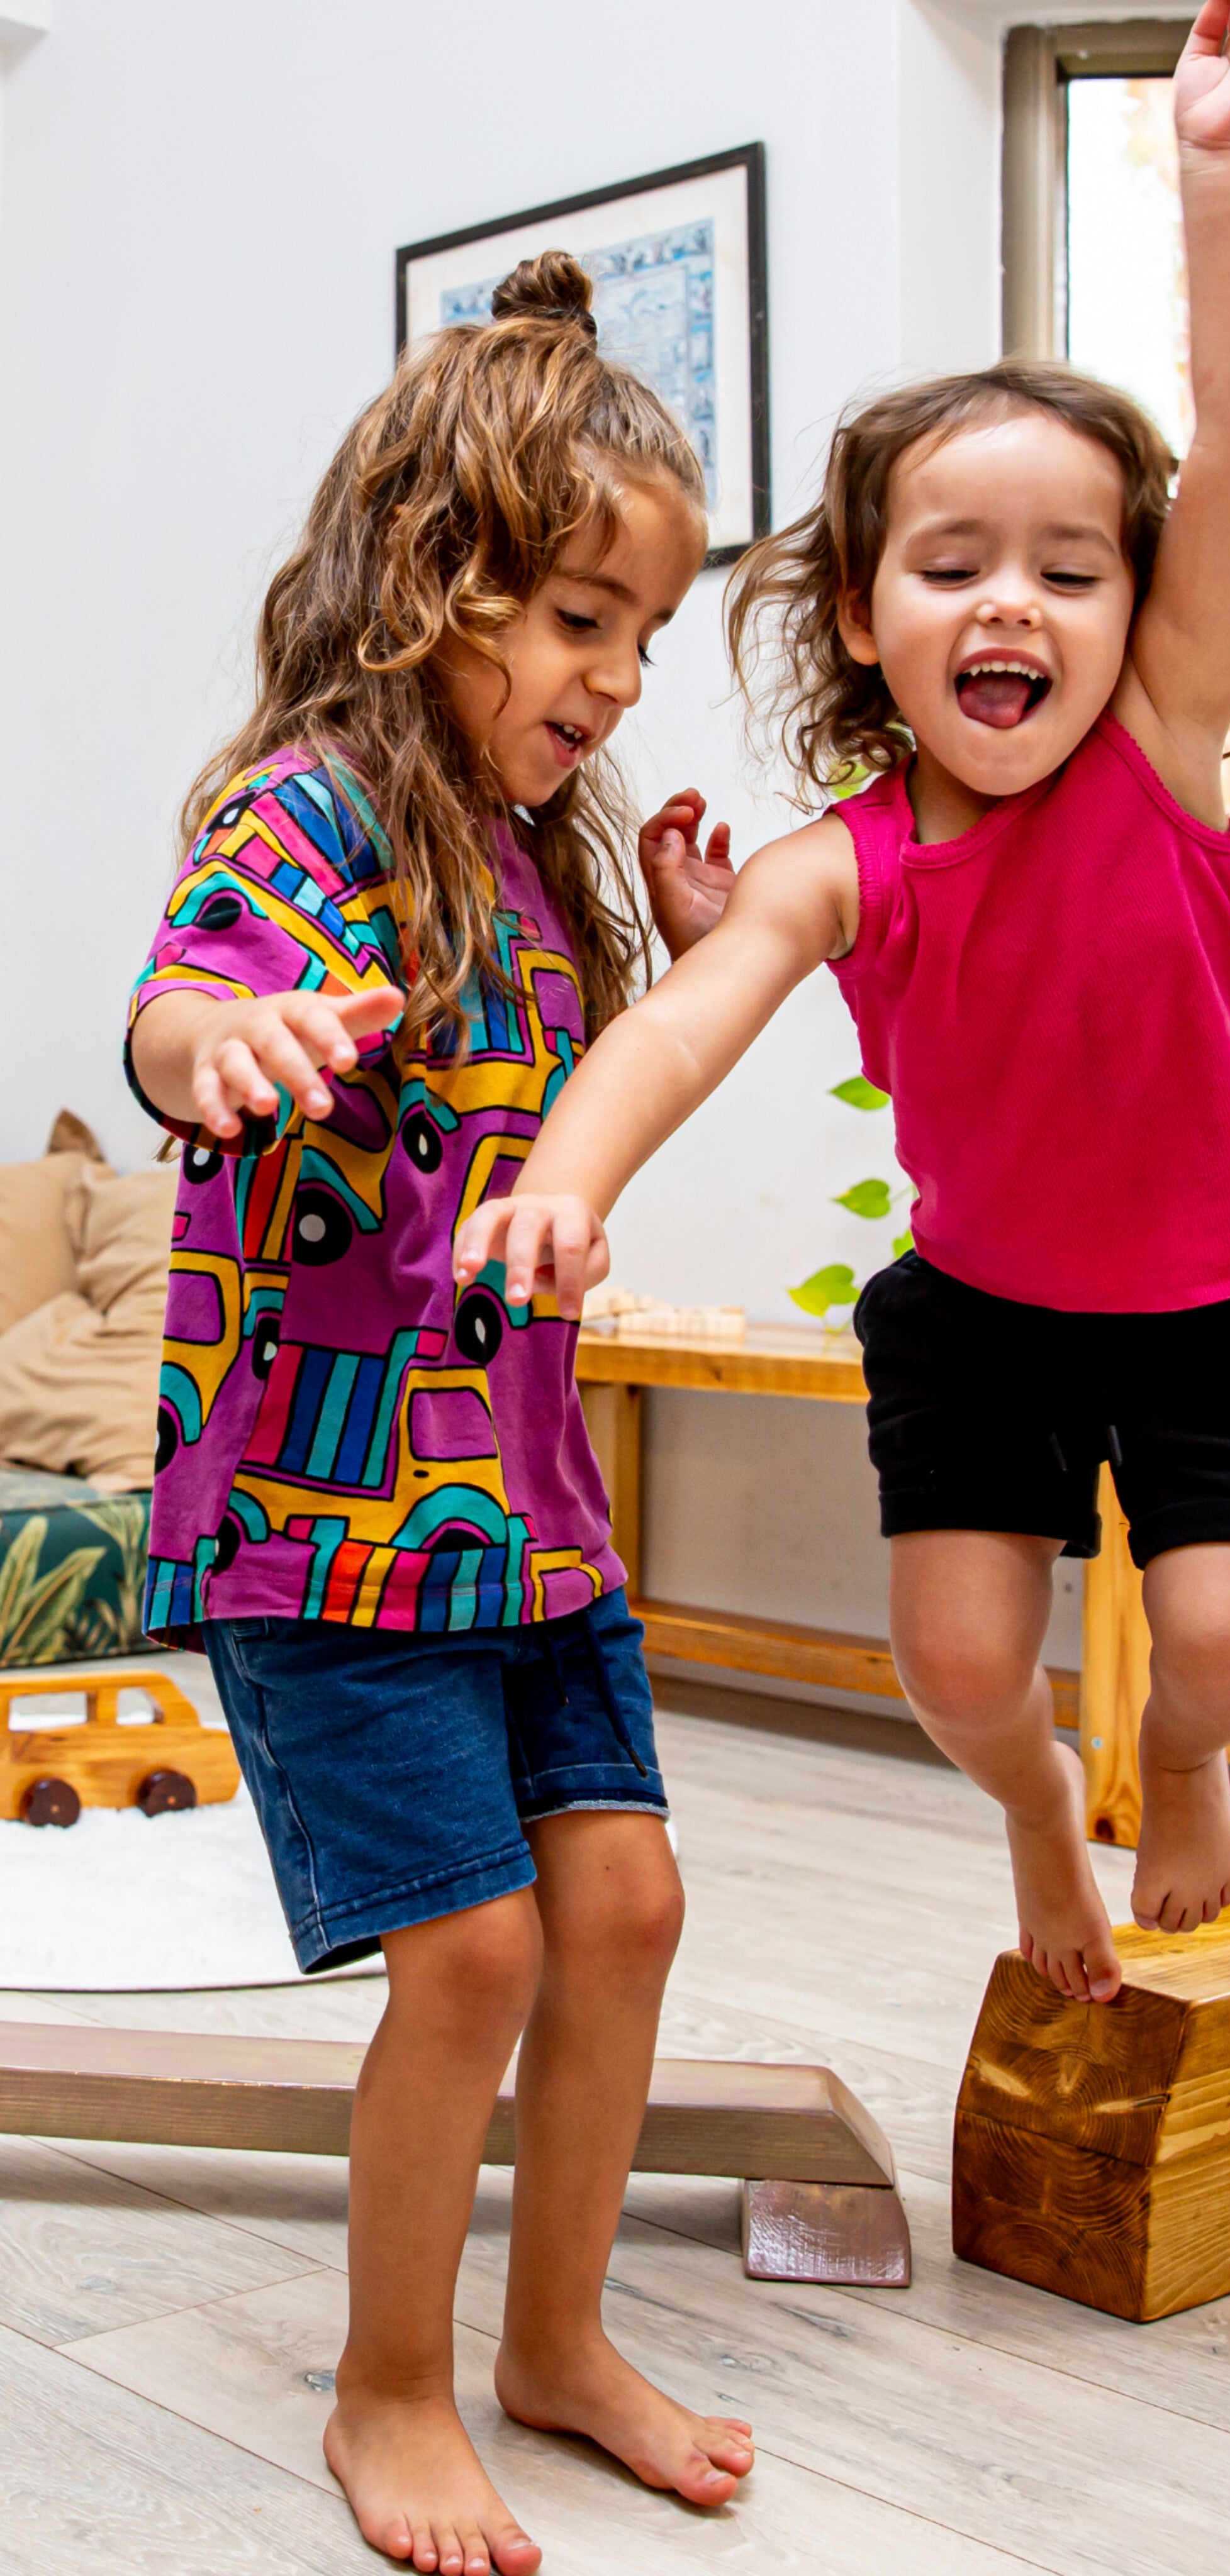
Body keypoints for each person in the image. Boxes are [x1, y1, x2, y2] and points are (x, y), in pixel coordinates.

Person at [452, 0, 1230, 2011]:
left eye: (1074, 569)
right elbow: (683, 1028)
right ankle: (1039, 1808)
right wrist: (557, 1185)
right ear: (866, 614)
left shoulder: (1166, 753)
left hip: (1221, 1295)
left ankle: (1177, 1765)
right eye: (954, 566)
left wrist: (1213, 163)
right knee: (955, 1662)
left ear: (1147, 608)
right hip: (992, 1310)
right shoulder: (839, 863)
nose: (1014, 603)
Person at [126, 253, 750, 2576]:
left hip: (524, 1513)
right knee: (469, 1949)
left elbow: (570, 1133)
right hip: (332, 1515)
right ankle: (386, 2388)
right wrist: (219, 1050)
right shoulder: (308, 815)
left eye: (638, 640)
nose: (609, 677)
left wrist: (679, 965)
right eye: (578, 619)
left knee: (628, 1910)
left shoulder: (540, 875)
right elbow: (179, 1008)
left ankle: (555, 2342)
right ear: (427, 582)